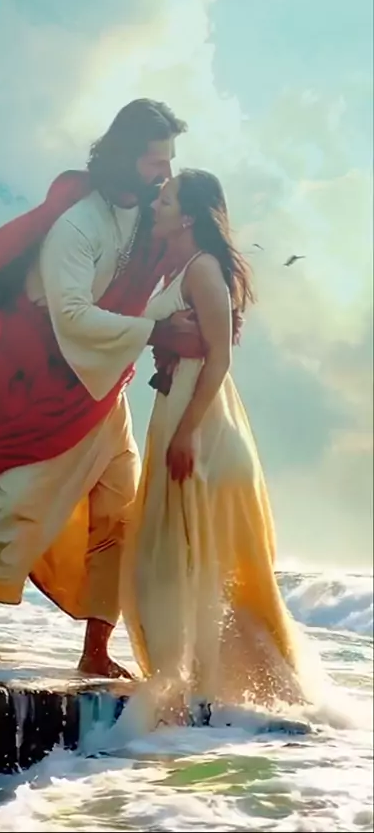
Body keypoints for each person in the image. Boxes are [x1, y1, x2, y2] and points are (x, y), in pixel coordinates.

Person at [0, 100, 206, 676]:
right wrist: (158, 331)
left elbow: (191, 259)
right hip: (40, 383)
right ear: (124, 157)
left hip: (104, 386)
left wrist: (210, 312)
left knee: (120, 508)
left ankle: (96, 649)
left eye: (169, 162)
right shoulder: (78, 224)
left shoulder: (151, 217)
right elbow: (73, 316)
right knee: (4, 505)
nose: (165, 174)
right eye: (155, 162)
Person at [121, 170, 308, 713]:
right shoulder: (179, 267)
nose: (156, 206)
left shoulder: (202, 269)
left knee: (190, 563)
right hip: (178, 411)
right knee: (173, 561)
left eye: (166, 201)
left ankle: (214, 695)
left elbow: (220, 358)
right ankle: (189, 688)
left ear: (188, 217)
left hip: (200, 425)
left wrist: (186, 433)